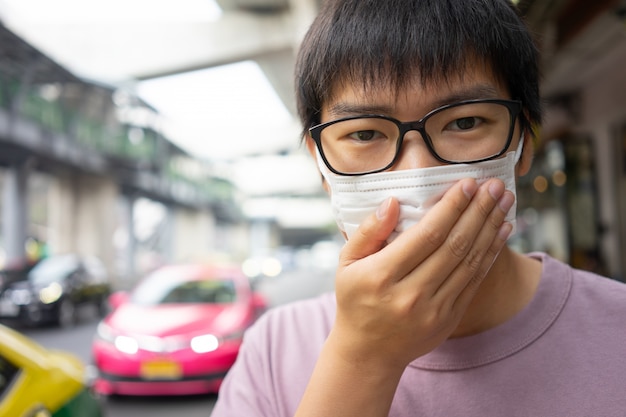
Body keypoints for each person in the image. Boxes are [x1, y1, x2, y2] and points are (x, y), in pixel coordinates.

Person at [212, 0, 626, 416]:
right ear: (320, 163)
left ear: (523, 145)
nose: (420, 174)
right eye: (365, 133)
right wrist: (362, 359)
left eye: (464, 123)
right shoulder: (272, 351)